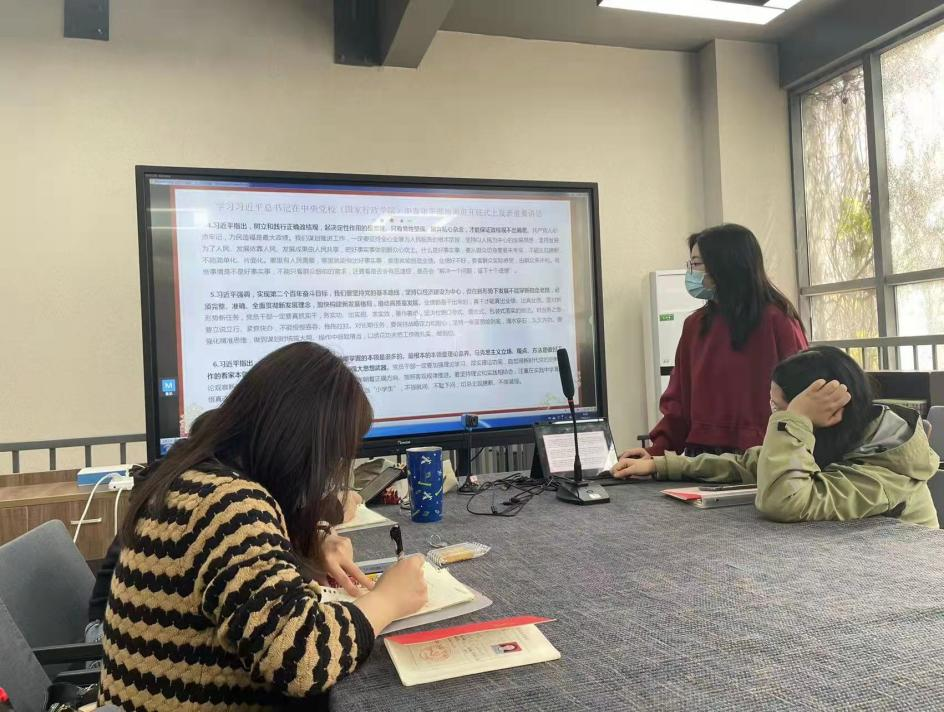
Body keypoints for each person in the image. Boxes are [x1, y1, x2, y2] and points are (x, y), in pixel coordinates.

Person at [99, 342, 428, 711]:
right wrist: (386, 601)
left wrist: (305, 542)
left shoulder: (194, 477)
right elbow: (299, 660)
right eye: (330, 456)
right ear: (300, 448)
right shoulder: (227, 503)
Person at [612, 346, 940, 528]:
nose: (774, 416)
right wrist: (660, 464)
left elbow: (784, 501)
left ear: (829, 412)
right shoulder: (843, 438)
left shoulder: (886, 468)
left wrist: (794, 419)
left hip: (903, 584)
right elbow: (752, 464)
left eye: (780, 408)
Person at [629, 224, 807, 459]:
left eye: (696, 264)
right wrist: (656, 452)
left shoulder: (778, 320)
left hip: (763, 458)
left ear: (725, 266)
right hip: (701, 459)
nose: (691, 273)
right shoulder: (695, 325)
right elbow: (678, 405)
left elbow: (803, 396)